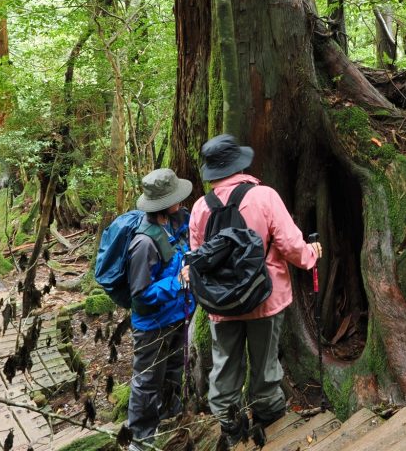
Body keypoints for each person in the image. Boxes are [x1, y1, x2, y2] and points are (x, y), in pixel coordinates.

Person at [185, 134, 321, 450]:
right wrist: (312, 254)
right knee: (265, 368)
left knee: (225, 369)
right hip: (266, 299)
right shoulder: (264, 197)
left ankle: (232, 434)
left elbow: (198, 256)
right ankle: (271, 428)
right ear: (240, 164)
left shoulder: (200, 208)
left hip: (221, 305)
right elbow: (290, 245)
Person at [126, 168, 197, 451]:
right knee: (146, 382)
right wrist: (178, 282)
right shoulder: (143, 243)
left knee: (172, 374)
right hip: (152, 326)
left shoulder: (177, 222)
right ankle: (140, 442)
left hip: (177, 316)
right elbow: (140, 295)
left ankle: (169, 424)